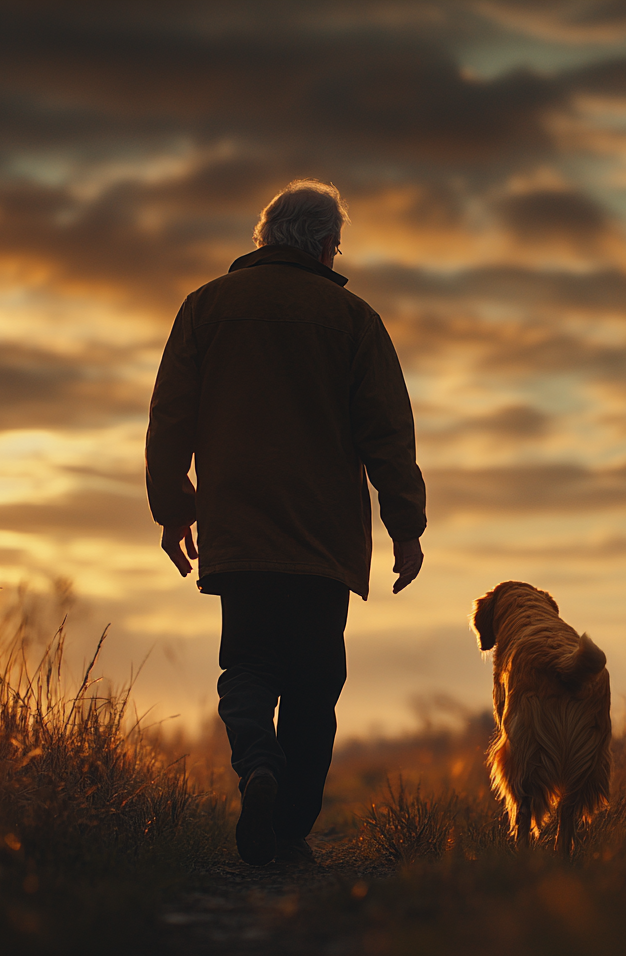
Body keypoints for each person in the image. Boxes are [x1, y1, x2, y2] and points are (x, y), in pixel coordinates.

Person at [145, 180, 426, 866]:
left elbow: (170, 418)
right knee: (313, 685)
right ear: (329, 246)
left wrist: (175, 509)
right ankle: (290, 831)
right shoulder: (354, 320)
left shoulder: (205, 308)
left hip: (238, 535)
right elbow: (387, 432)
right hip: (322, 544)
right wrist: (406, 525)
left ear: (264, 236)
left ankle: (257, 764)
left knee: (244, 666)